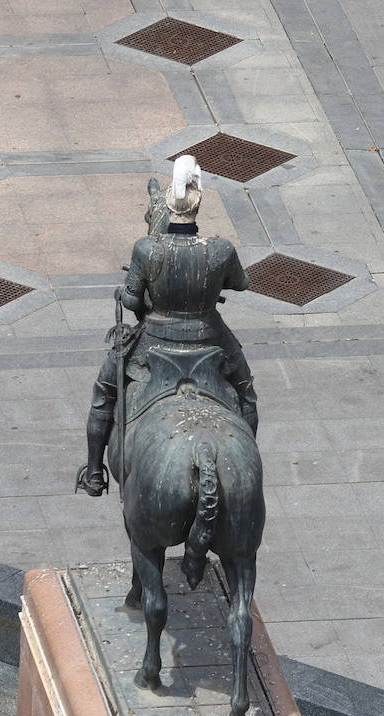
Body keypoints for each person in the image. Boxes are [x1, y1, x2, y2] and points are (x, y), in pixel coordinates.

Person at [76, 157, 258, 496]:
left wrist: (127, 292)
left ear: (169, 205)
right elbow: (242, 283)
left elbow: (132, 302)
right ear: (198, 204)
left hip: (153, 341)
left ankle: (95, 472)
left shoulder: (147, 249)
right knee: (246, 395)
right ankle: (245, 474)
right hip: (211, 339)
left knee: (105, 392)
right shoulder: (220, 249)